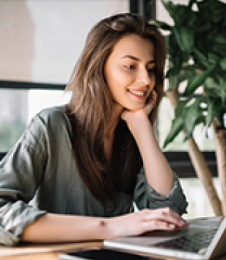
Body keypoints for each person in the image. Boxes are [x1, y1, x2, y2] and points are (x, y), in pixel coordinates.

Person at [0, 13, 188, 246]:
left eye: (150, 68)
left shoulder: (131, 134)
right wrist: (109, 227)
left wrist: (142, 128)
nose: (147, 80)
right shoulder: (51, 125)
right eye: (130, 66)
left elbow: (169, 214)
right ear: (99, 68)